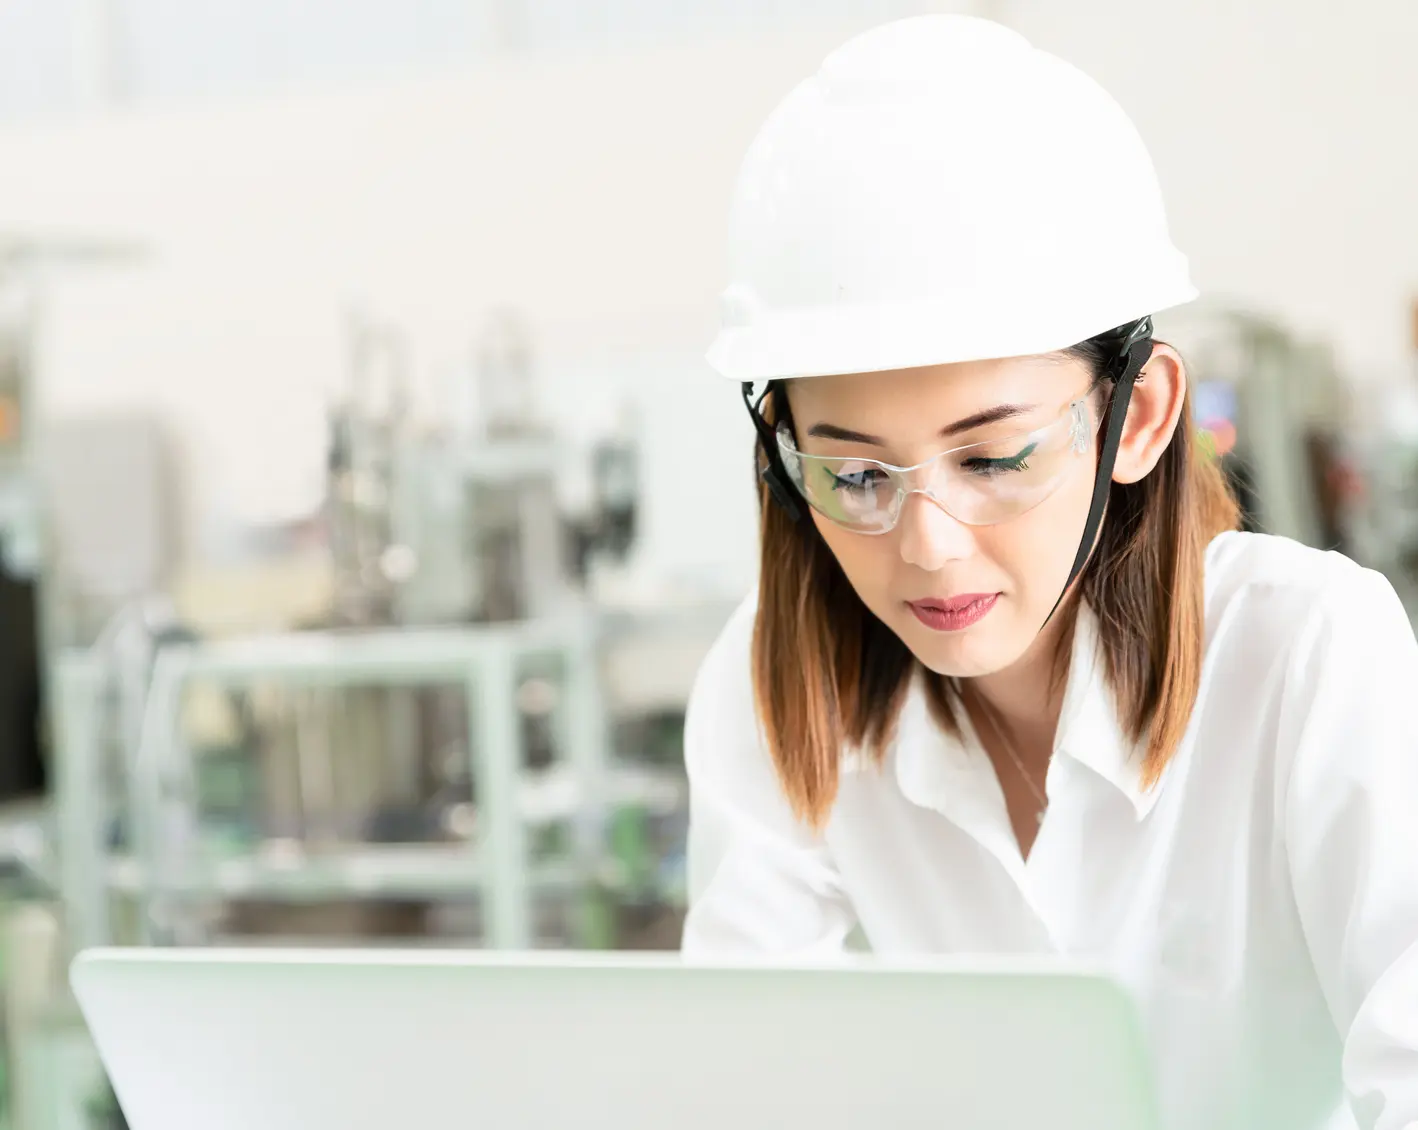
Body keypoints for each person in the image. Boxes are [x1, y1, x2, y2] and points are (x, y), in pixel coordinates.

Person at [680, 15, 1418, 1130]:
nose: (924, 542)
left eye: (992, 457)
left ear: (1140, 415)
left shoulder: (1310, 652)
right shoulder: (773, 682)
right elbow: (741, 1076)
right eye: (853, 473)